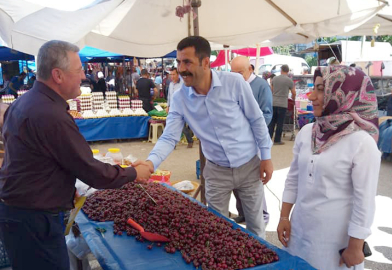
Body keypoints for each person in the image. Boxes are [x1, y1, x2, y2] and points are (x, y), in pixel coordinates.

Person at [0, 40, 152, 270]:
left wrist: (60, 185)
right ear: (58, 75)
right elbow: (92, 171)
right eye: (79, 70)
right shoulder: (50, 115)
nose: (83, 76)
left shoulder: (24, 103)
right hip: (34, 220)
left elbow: (33, 158)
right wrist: (134, 172)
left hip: (20, 215)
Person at [135, 36, 273, 238]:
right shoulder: (180, 98)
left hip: (249, 165)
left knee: (256, 229)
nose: (181, 69)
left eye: (187, 62)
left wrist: (266, 157)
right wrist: (149, 163)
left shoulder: (234, 83)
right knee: (217, 230)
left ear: (206, 62)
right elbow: (169, 137)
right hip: (216, 171)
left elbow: (257, 120)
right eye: (179, 62)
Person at [277, 66, 380, 270]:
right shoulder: (307, 132)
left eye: (321, 89)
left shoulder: (361, 143)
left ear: (343, 94)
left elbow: (364, 199)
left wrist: (355, 245)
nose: (312, 95)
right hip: (300, 232)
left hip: (333, 243)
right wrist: (284, 216)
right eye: (314, 88)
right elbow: (293, 178)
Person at [230, 56, 273, 224]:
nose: (236, 77)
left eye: (240, 72)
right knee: (236, 179)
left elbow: (267, 115)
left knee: (254, 179)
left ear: (250, 69)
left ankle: (261, 215)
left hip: (254, 141)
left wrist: (249, 128)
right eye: (233, 73)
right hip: (236, 143)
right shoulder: (232, 84)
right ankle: (243, 212)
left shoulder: (261, 86)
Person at [268, 64, 296, 145]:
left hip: (274, 102)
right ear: (288, 71)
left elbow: (271, 90)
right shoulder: (289, 80)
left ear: (281, 70)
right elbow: (294, 92)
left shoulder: (275, 78)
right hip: (283, 103)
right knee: (280, 123)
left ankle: (269, 139)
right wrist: (293, 99)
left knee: (272, 122)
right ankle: (277, 140)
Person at [166, 67, 193, 148]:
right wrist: (168, 106)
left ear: (178, 74)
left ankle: (190, 140)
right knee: (172, 125)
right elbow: (169, 96)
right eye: (171, 74)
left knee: (181, 127)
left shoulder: (183, 84)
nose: (172, 76)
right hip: (173, 108)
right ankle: (173, 144)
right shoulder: (171, 84)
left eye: (174, 74)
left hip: (182, 107)